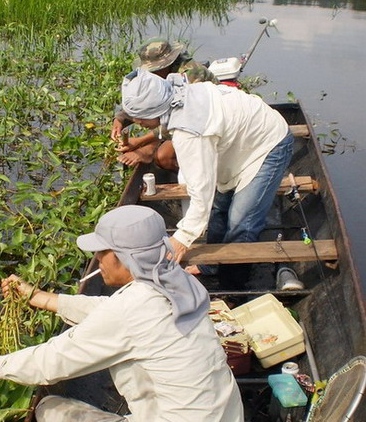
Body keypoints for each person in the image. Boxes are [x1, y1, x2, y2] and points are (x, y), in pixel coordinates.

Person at [0, 206, 246, 422]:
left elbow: (52, 360)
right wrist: (41, 298)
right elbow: (110, 314)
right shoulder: (181, 282)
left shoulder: (131, 310)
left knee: (48, 413)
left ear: (126, 258)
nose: (97, 260)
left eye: (103, 252)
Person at [118, 69, 295, 282]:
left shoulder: (189, 133)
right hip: (237, 144)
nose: (136, 121)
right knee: (219, 207)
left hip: (268, 144)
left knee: (242, 222)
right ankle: (211, 266)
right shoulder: (176, 97)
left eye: (140, 117)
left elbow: (200, 193)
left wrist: (181, 239)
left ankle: (234, 287)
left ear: (155, 109)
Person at [110, 38, 191, 171]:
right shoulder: (155, 76)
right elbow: (143, 98)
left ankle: (152, 152)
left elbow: (181, 118)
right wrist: (120, 119)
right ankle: (152, 147)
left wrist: (141, 141)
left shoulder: (188, 75)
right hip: (175, 121)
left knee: (164, 157)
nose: (150, 73)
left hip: (194, 123)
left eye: (154, 69)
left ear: (167, 64)